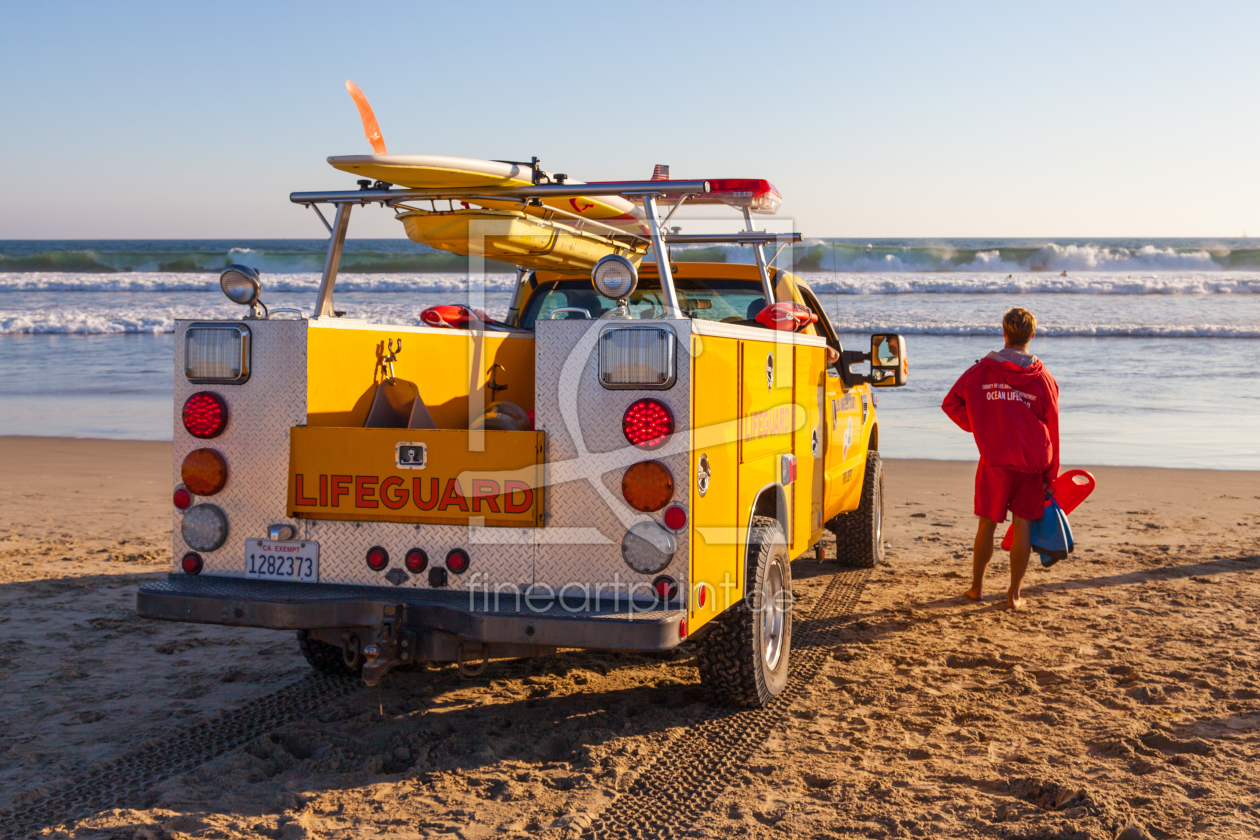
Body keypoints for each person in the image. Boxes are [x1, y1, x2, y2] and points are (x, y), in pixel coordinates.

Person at [941, 308, 1059, 609]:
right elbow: (1053, 426)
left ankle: (976, 588)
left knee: (987, 524)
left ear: (1004, 332)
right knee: (1023, 526)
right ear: (1032, 335)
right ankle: (1013, 595)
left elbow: (951, 403)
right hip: (1032, 462)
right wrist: (1051, 475)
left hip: (995, 459)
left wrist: (983, 426)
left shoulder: (981, 371)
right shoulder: (1044, 378)